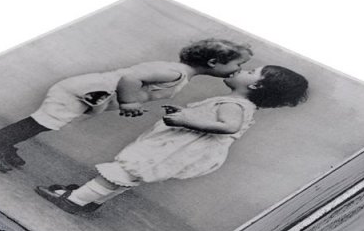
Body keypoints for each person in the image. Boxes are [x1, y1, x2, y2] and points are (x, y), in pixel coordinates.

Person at [35, 65, 309, 214]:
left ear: (255, 85)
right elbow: (213, 121)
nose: (242, 70)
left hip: (177, 147)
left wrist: (185, 120)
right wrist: (186, 114)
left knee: (130, 167)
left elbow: (228, 127)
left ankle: (75, 200)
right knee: (136, 173)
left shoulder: (235, 105)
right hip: (180, 146)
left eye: (250, 71)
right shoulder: (239, 103)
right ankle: (93, 200)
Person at [0, 39, 253, 172]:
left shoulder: (178, 74)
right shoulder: (174, 73)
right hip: (81, 92)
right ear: (214, 62)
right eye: (238, 64)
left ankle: (4, 143)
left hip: (89, 97)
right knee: (42, 122)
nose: (239, 69)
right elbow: (130, 78)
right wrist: (129, 102)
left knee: (48, 123)